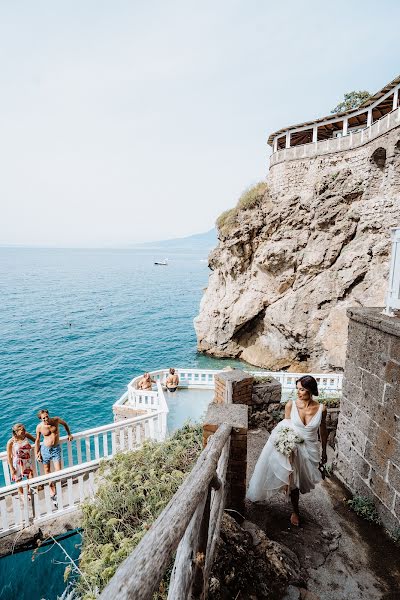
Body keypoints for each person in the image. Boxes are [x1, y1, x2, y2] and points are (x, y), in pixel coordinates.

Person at [246, 375, 328, 527]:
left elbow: (323, 431)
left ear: (310, 390)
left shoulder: (322, 409)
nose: (298, 392)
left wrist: (324, 451)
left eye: (302, 389)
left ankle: (293, 503)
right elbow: (284, 428)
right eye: (297, 389)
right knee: (294, 481)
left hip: (310, 448)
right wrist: (286, 448)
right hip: (292, 447)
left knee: (301, 481)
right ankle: (295, 511)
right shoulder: (291, 405)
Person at [35, 409, 73, 505]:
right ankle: (52, 491)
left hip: (55, 449)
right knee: (47, 471)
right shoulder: (39, 427)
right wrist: (37, 453)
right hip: (45, 450)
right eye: (44, 418)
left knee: (58, 470)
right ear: (40, 419)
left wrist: (69, 433)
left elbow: (65, 424)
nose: (46, 419)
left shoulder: (55, 420)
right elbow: (37, 441)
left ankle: (57, 487)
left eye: (47, 416)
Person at [6, 424, 35, 495]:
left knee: (30, 475)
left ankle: (28, 491)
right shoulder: (11, 442)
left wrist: (38, 451)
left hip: (27, 460)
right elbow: (9, 456)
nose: (25, 431)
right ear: (16, 432)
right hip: (17, 463)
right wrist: (11, 468)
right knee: (18, 479)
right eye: (22, 430)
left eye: (24, 429)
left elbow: (35, 440)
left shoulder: (26, 435)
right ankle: (22, 495)